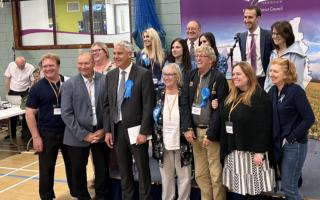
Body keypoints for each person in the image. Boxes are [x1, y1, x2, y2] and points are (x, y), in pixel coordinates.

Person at [104, 41, 155, 200]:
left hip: (137, 131)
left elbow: (148, 105)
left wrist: (144, 131)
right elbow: (107, 105)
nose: (116, 57)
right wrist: (107, 130)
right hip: (117, 130)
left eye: (119, 53)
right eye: (114, 54)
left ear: (130, 54)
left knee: (142, 169)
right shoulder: (111, 75)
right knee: (124, 171)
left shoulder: (143, 74)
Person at [218, 61, 276, 199]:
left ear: (249, 76)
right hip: (235, 151)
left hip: (251, 154)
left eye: (238, 74)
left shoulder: (260, 96)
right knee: (237, 190)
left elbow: (265, 126)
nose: (235, 77)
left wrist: (260, 152)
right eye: (233, 74)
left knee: (251, 191)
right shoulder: (233, 95)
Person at [61, 52, 110, 200]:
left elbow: (110, 107)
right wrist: (83, 134)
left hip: (100, 134)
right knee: (77, 170)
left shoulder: (105, 80)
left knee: (102, 169)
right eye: (80, 63)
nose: (83, 66)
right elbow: (66, 113)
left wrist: (104, 129)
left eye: (86, 63)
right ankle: (83, 197)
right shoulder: (69, 84)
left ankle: (101, 196)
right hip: (77, 135)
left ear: (93, 63)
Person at [183, 45, 229, 200]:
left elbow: (220, 110)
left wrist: (210, 134)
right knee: (201, 174)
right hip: (195, 132)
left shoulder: (219, 78)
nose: (198, 58)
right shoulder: (190, 75)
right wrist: (187, 128)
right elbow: (184, 103)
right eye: (197, 55)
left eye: (202, 55)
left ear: (211, 60)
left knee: (215, 174)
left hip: (211, 133)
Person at [25, 53, 72, 200]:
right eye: (45, 66)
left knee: (73, 167)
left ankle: (77, 194)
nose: (48, 68)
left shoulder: (69, 83)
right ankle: (47, 197)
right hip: (47, 134)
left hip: (69, 132)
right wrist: (36, 137)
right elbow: (29, 113)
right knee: (46, 169)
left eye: (51, 65)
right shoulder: (37, 88)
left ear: (58, 66)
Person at [268, 58, 315, 200]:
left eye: (275, 71)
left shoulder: (296, 91)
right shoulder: (273, 91)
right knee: (286, 186)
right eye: (270, 70)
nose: (271, 74)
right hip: (280, 144)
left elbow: (309, 118)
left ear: (286, 74)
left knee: (290, 188)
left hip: (294, 145)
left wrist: (291, 137)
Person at [152, 63, 193, 200]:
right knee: (166, 178)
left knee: (185, 178)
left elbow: (188, 115)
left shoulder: (184, 94)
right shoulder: (158, 93)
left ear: (177, 77)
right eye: (165, 74)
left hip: (181, 141)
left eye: (171, 74)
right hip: (162, 142)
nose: (167, 77)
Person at [264, 21, 306, 92]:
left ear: (287, 34)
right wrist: (267, 94)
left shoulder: (297, 54)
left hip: (290, 98)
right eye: (273, 33)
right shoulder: (273, 53)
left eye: (278, 34)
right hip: (272, 96)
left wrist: (283, 98)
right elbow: (268, 77)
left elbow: (297, 81)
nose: (275, 36)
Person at [238, 5, 273, 87]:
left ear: (258, 18)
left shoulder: (269, 35)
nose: (246, 20)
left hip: (264, 81)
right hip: (247, 81)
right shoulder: (241, 37)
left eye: (250, 17)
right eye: (245, 17)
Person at [4, 56, 34, 139]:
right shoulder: (11, 65)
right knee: (12, 113)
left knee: (26, 113)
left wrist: (30, 93)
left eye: (23, 65)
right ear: (15, 63)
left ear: (25, 62)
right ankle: (11, 133)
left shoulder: (31, 67)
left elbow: (32, 81)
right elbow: (7, 78)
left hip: (25, 91)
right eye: (19, 65)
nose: (21, 67)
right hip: (13, 91)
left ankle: (25, 133)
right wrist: (8, 92)